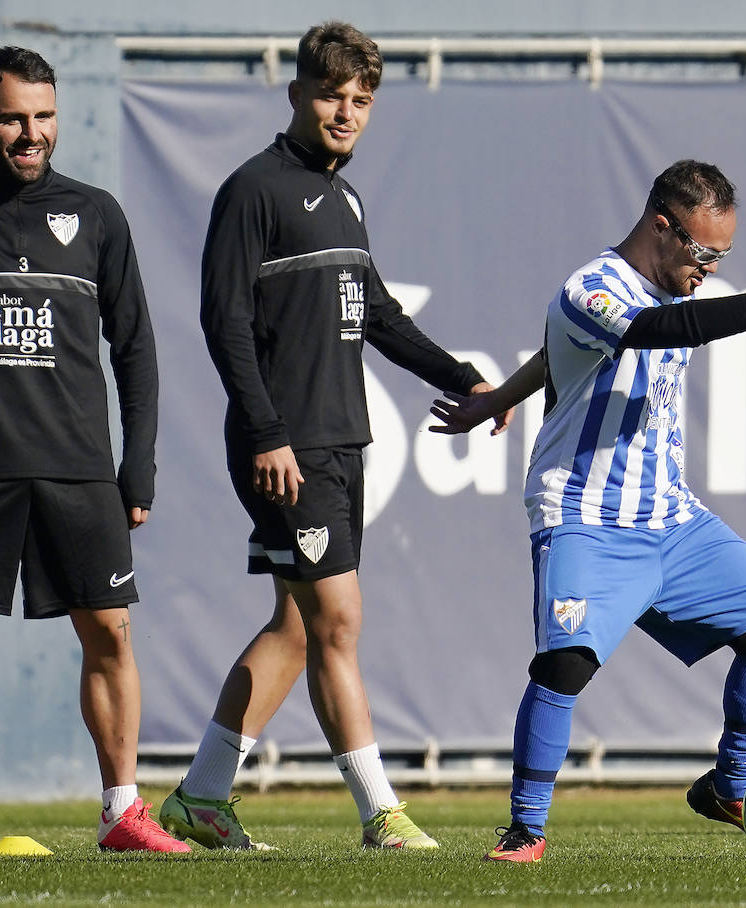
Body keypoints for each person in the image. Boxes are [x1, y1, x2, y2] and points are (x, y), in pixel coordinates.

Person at [429, 160, 746, 862]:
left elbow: (564, 354)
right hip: (584, 515)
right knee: (565, 665)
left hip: (671, 517)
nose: (710, 267)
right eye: (703, 252)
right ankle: (526, 829)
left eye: (723, 256)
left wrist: (499, 399)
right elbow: (655, 331)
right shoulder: (593, 288)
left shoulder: (653, 291)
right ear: (661, 225)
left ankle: (729, 786)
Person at [158, 21, 505, 852]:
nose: (346, 112)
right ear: (296, 95)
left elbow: (376, 312)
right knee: (340, 619)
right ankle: (380, 811)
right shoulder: (254, 190)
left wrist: (466, 380)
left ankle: (200, 797)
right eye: (330, 95)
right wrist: (269, 432)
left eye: (361, 100)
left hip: (340, 443)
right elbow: (224, 320)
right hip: (288, 448)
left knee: (298, 623)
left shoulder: (344, 197)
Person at [0, 47, 188, 855]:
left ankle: (122, 813)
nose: (33, 133)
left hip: (78, 466)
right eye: (16, 118)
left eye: (45, 116)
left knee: (111, 634)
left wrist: (139, 462)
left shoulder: (96, 214)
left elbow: (136, 348)